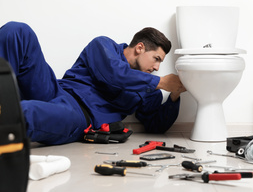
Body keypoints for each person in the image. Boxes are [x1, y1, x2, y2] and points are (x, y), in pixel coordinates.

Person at [0, 21, 186, 145]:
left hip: (78, 116)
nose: (157, 67)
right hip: (56, 90)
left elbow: (155, 126)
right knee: (18, 31)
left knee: (25, 112)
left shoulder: (149, 90)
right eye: (156, 59)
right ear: (140, 48)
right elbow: (114, 75)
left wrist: (174, 96)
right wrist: (160, 82)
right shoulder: (104, 46)